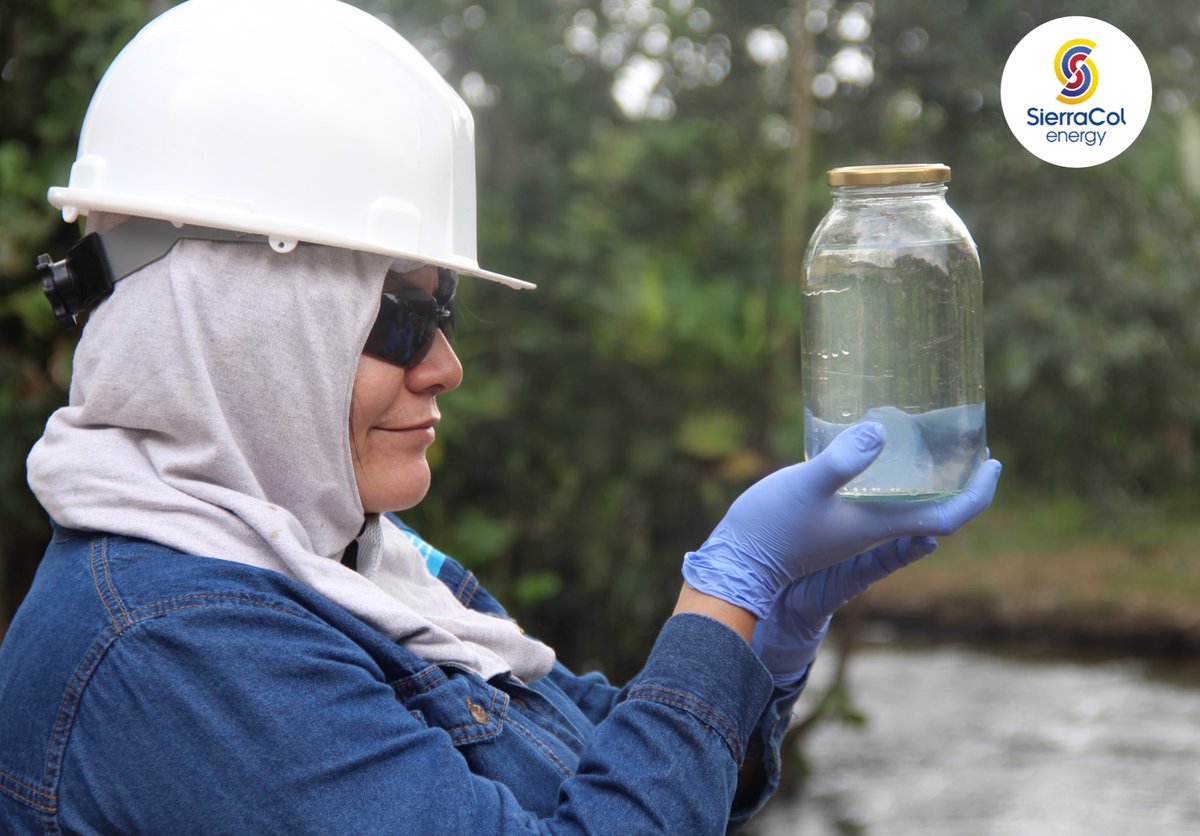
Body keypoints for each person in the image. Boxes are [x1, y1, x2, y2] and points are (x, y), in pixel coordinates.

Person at [0, 0, 1002, 832]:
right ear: (232, 330)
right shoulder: (175, 650)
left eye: (445, 309)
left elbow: (592, 762)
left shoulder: (360, 565)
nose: (447, 364)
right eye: (397, 318)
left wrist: (763, 638)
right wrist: (730, 593)